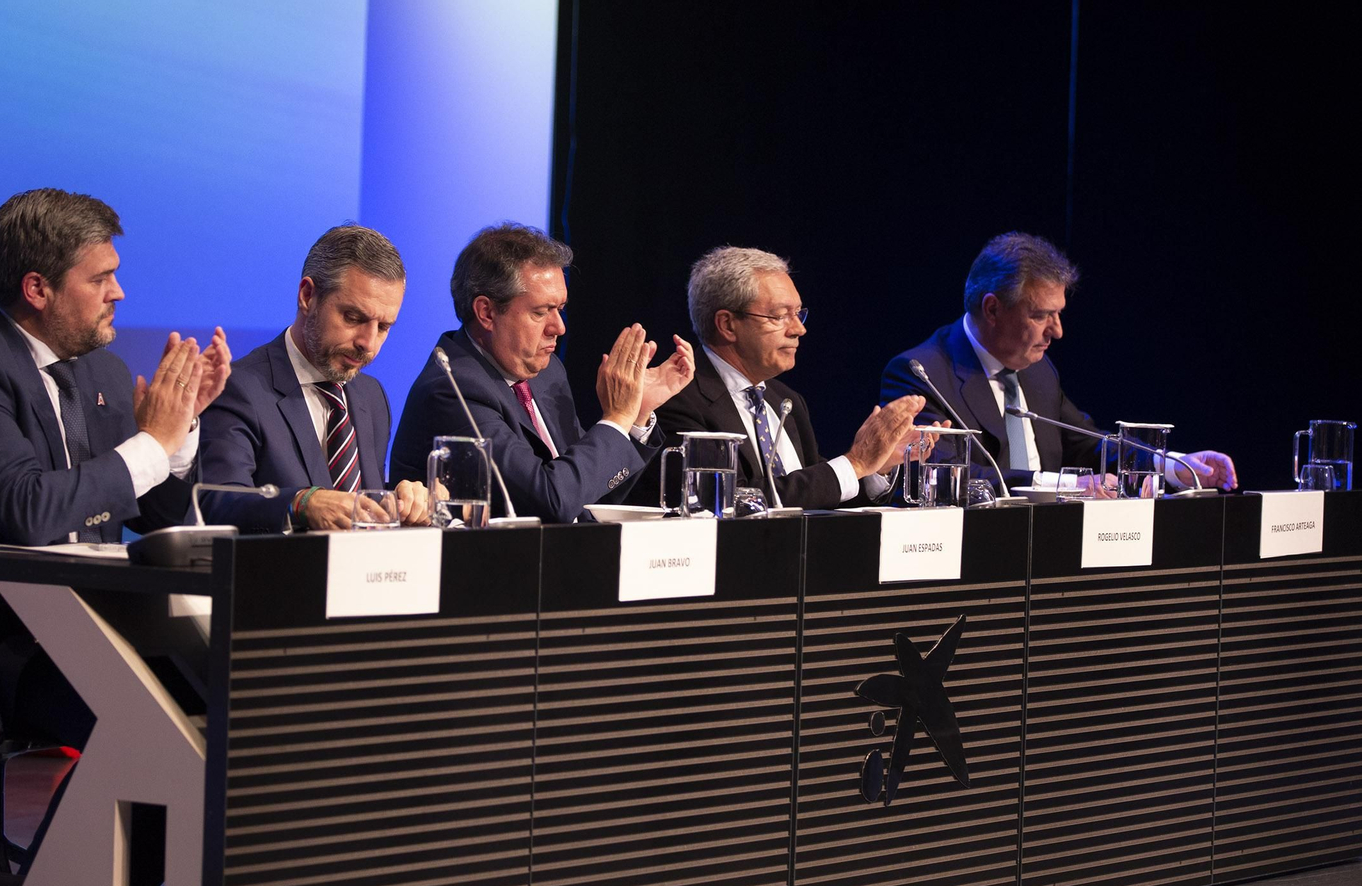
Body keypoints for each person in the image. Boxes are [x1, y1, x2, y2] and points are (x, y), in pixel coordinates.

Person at [0, 188, 231, 753]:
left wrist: (178, 433)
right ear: (37, 289)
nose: (118, 292)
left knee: (224, 689)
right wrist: (151, 443)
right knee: (145, 725)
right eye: (100, 278)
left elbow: (156, 517)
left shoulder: (102, 372)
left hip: (82, 626)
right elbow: (29, 510)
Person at [881, 231, 1236, 494]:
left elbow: (1088, 444)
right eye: (1041, 315)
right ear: (992, 309)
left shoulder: (1039, 370)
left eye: (1059, 314)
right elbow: (941, 475)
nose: (1058, 331)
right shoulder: (921, 375)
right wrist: (1066, 485)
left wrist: (1172, 465)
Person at [389, 222, 694, 522]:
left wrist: (635, 416)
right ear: (487, 312)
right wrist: (616, 419)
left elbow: (587, 498)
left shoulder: (548, 374)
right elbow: (549, 500)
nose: (559, 327)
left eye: (560, 309)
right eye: (540, 312)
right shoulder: (452, 390)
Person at [632, 246, 926, 510]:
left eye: (798, 314)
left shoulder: (785, 400)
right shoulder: (677, 401)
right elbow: (730, 502)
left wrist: (877, 466)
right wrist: (856, 462)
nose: (799, 329)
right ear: (727, 325)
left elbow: (817, 495)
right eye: (780, 316)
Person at [199, 225, 431, 531]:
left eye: (384, 327)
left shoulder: (372, 396)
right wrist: (301, 504)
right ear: (308, 296)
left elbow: (357, 503)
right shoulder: (240, 389)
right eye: (353, 318)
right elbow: (217, 501)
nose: (368, 343)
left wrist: (403, 501)